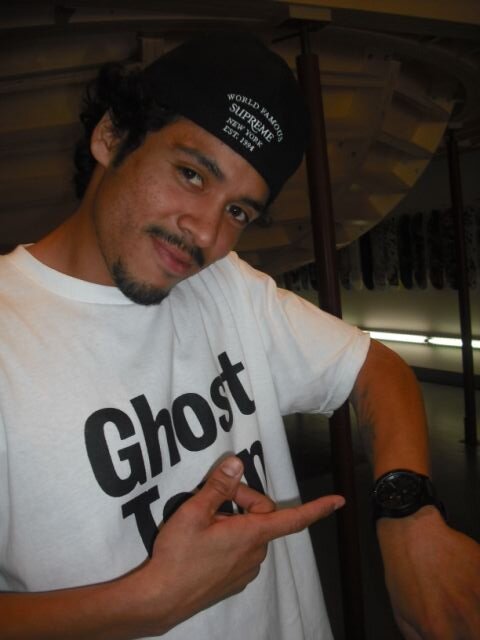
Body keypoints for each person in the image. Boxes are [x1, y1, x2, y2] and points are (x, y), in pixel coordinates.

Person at [0, 31, 478, 640]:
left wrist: (408, 515)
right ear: (112, 136)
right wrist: (146, 603)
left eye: (238, 212)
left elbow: (375, 369)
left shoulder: (225, 286)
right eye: (192, 174)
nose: (205, 234)